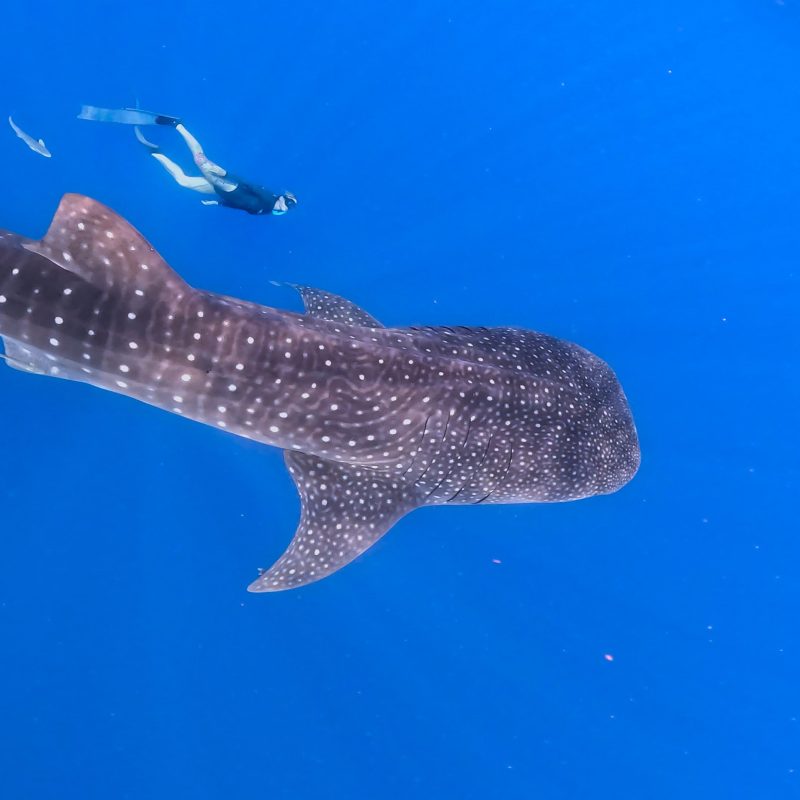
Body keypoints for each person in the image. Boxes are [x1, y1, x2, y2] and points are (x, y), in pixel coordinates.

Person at [79, 105, 297, 216]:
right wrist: (223, 174)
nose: (285, 207)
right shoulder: (268, 197)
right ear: (283, 198)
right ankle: (178, 125)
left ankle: (155, 153)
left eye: (289, 207)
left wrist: (218, 203)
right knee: (200, 160)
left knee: (182, 181)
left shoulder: (265, 211)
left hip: (220, 192)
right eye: (287, 203)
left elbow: (240, 206)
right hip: (226, 183)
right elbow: (248, 185)